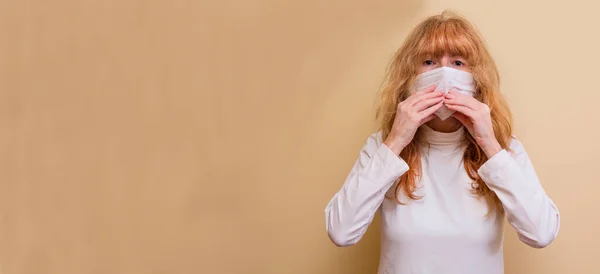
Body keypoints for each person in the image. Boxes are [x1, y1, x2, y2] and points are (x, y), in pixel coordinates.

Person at [324, 11, 560, 274]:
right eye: (429, 62)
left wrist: (490, 144)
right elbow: (341, 232)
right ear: (410, 77)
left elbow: (542, 233)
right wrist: (396, 140)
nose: (444, 73)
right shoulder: (383, 146)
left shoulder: (505, 149)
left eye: (458, 63)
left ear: (476, 78)